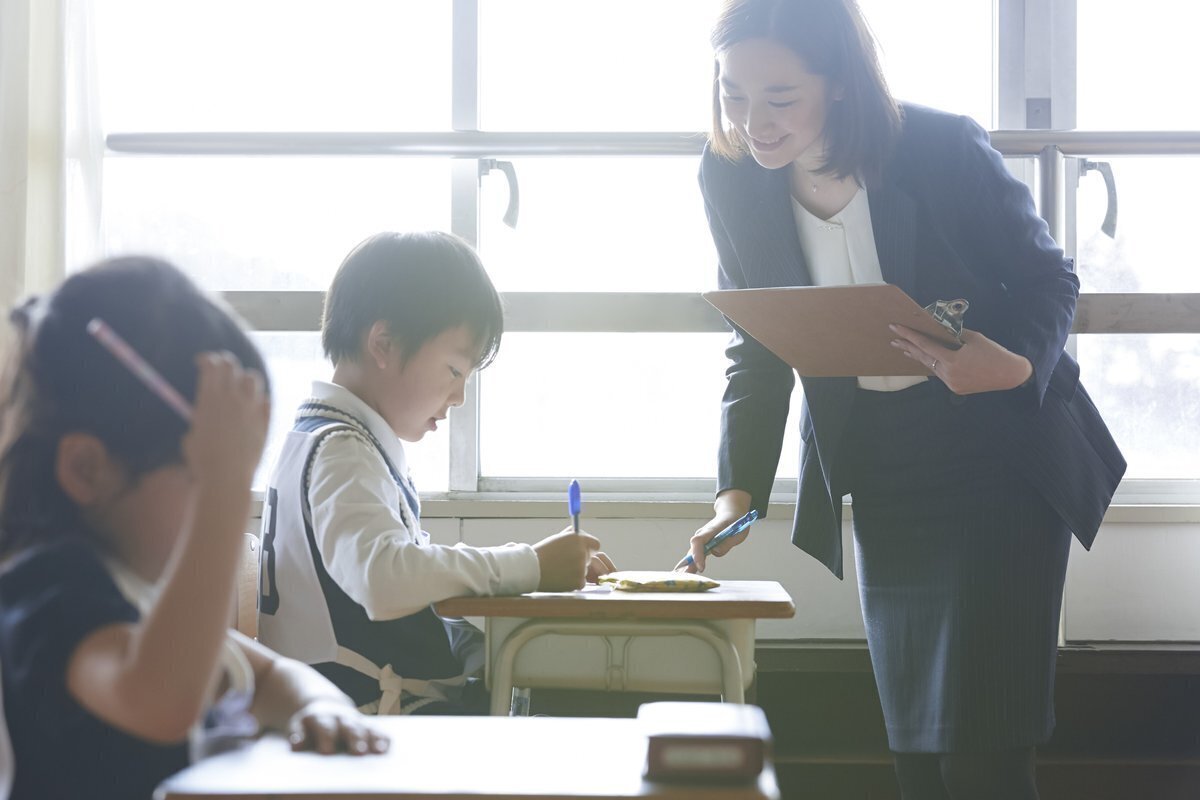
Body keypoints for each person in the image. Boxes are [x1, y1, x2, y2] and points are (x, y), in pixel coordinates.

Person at [680, 1, 1126, 797]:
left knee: (986, 748)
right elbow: (759, 342)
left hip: (998, 462)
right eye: (733, 94)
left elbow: (1050, 278)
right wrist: (735, 494)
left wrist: (1014, 365)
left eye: (780, 97)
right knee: (918, 752)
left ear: (841, 84)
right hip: (886, 474)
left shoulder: (940, 148)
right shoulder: (729, 174)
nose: (754, 122)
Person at [0, 257, 388, 800]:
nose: (224, 503)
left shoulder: (135, 595)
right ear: (87, 470)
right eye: (197, 477)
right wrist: (224, 484)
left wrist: (319, 706)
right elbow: (163, 698)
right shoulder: (48, 595)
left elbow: (270, 675)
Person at [257, 231, 614, 716]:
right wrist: (528, 564)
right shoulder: (343, 451)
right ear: (383, 343)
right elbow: (384, 579)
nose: (458, 397)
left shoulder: (321, 435)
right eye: (453, 370)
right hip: (369, 721)